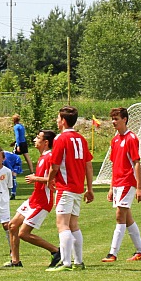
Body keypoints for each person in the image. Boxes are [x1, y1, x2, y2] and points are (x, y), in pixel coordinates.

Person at [46, 105, 94, 271]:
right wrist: (89, 188)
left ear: (63, 121)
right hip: (77, 188)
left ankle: (66, 263)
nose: (57, 120)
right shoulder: (81, 139)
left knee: (62, 224)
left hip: (65, 187)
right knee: (74, 224)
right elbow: (88, 165)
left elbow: (55, 166)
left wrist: (49, 180)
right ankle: (78, 262)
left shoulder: (60, 139)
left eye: (58, 118)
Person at [4, 130, 61, 268]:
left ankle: (56, 251)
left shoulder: (50, 157)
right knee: (12, 226)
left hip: (42, 202)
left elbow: (54, 180)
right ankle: (15, 261)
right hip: (34, 199)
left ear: (45, 142)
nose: (35, 140)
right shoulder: (42, 157)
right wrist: (37, 177)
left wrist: (36, 178)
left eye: (38, 137)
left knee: (23, 233)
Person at [101, 107, 141, 262]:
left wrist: (139, 187)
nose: (114, 122)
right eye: (112, 119)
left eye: (116, 119)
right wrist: (110, 187)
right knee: (127, 218)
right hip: (118, 184)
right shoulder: (115, 140)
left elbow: (136, 163)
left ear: (125, 120)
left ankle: (112, 253)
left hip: (128, 183)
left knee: (119, 216)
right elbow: (114, 165)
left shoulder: (131, 138)